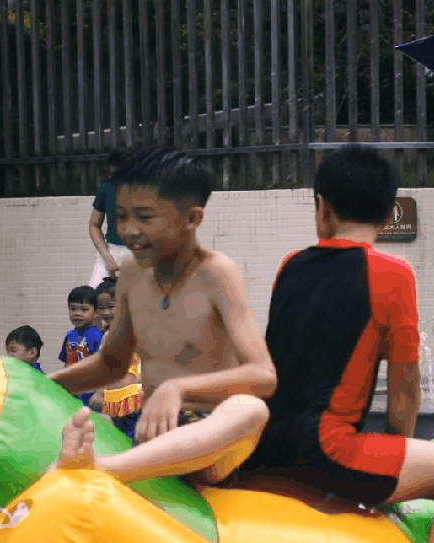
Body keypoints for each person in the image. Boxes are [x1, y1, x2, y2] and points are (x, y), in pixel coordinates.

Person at [231, 146, 434, 543]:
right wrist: (397, 457)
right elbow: (404, 386)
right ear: (390, 214)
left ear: (323, 208)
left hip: (261, 449)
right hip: (327, 452)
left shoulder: (290, 266)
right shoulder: (392, 273)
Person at [48, 146, 276, 494]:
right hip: (152, 436)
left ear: (192, 219)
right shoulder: (131, 275)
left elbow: (263, 375)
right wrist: (38, 383)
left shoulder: (217, 273)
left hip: (211, 442)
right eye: (121, 216)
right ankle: (109, 466)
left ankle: (103, 470)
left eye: (145, 217)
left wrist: (178, 388)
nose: (129, 231)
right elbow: (111, 363)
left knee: (251, 410)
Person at [93, 277, 145, 441]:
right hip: (114, 403)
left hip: (132, 402)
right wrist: (100, 393)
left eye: (111, 306)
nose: (106, 312)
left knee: (132, 441)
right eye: (101, 307)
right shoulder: (107, 335)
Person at [89, 147, 136, 288]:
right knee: (93, 292)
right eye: (112, 174)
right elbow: (94, 225)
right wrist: (107, 257)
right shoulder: (106, 189)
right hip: (112, 251)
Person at [59, 286, 104, 407]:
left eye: (84, 309)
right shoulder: (69, 335)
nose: (77, 313)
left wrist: (100, 393)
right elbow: (67, 364)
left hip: (91, 394)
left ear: (96, 312)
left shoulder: (97, 337)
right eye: (72, 309)